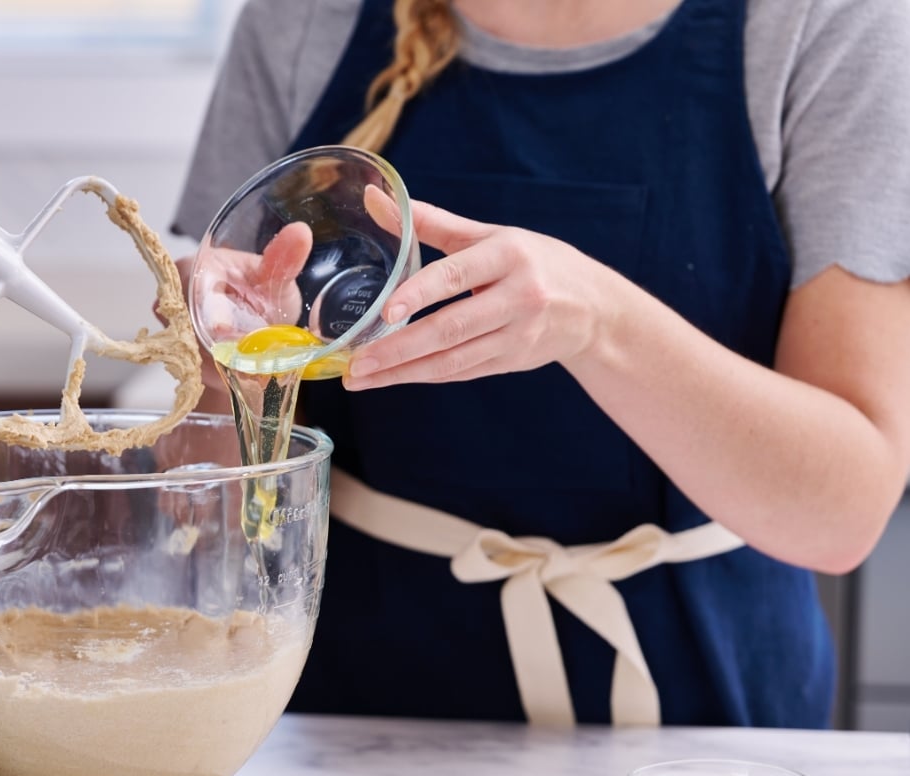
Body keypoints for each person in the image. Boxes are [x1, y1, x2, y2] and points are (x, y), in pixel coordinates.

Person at [167, 0, 910, 727]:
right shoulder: (300, 21)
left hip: (705, 737)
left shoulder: (827, 22)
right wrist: (208, 369)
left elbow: (841, 514)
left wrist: (601, 324)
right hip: (360, 724)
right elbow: (198, 501)